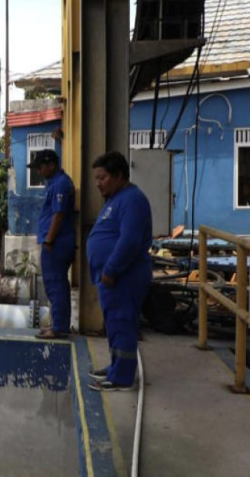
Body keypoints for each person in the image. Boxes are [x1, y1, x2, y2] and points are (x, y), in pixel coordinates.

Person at [86, 151, 153, 392]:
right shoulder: (116, 199)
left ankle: (122, 378)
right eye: (97, 178)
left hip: (124, 276)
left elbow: (130, 241)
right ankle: (117, 367)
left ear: (119, 176)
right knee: (114, 324)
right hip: (113, 277)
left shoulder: (132, 200)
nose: (97, 183)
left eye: (102, 178)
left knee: (122, 323)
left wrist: (111, 269)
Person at [29, 149, 75, 340]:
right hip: (54, 242)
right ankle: (57, 324)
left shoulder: (61, 184)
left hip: (56, 243)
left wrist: (49, 239)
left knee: (56, 285)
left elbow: (58, 214)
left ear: (51, 165)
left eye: (40, 167)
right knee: (53, 285)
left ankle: (60, 328)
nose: (39, 171)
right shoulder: (54, 184)